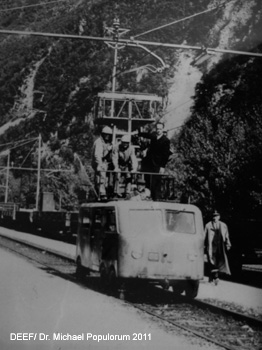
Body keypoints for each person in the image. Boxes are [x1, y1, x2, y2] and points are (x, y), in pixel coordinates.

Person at [139, 122, 171, 199]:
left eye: (160, 129)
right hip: (150, 164)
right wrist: (139, 134)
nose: (158, 130)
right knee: (148, 182)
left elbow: (165, 155)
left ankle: (156, 200)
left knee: (156, 184)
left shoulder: (165, 140)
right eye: (157, 129)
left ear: (163, 129)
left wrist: (162, 166)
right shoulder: (154, 137)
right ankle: (148, 198)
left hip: (158, 165)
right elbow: (147, 135)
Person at [204, 211, 232, 285]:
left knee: (219, 261)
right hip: (211, 246)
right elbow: (204, 236)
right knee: (212, 262)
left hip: (220, 246)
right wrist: (203, 245)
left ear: (219, 217)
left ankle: (214, 276)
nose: (215, 218)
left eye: (216, 216)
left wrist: (228, 244)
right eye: (213, 216)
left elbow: (226, 235)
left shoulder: (223, 225)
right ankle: (215, 277)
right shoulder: (208, 225)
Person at [91, 126, 113, 199]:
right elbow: (97, 155)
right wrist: (100, 164)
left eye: (108, 135)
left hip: (104, 162)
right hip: (98, 162)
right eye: (105, 134)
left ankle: (110, 191)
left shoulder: (108, 143)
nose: (107, 136)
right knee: (101, 175)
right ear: (102, 134)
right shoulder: (99, 142)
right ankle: (101, 193)